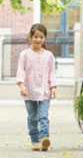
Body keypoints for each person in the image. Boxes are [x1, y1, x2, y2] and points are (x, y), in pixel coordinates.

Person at [16, 23, 57, 151]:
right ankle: (35, 141)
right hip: (29, 91)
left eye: (41, 37)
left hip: (44, 92)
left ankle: (44, 139)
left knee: (43, 116)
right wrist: (21, 85)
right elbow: (20, 71)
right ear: (30, 37)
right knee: (32, 118)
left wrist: (53, 87)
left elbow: (52, 72)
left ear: (44, 38)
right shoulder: (25, 54)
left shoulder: (49, 55)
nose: (38, 39)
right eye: (35, 37)